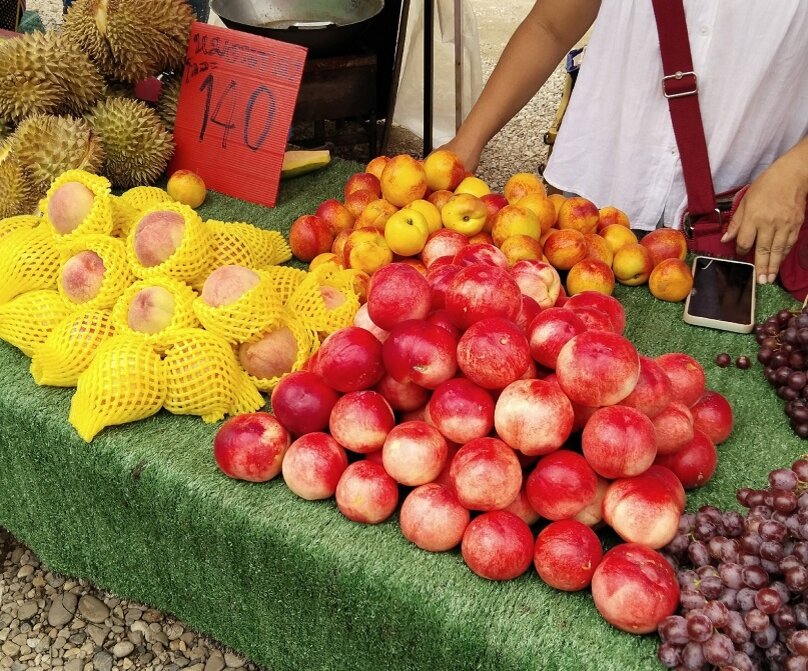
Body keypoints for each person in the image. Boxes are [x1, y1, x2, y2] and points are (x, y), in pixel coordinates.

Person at [442, 0, 808, 285]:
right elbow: (549, 27)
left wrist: (797, 170)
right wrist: (467, 142)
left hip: (744, 219)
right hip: (587, 203)